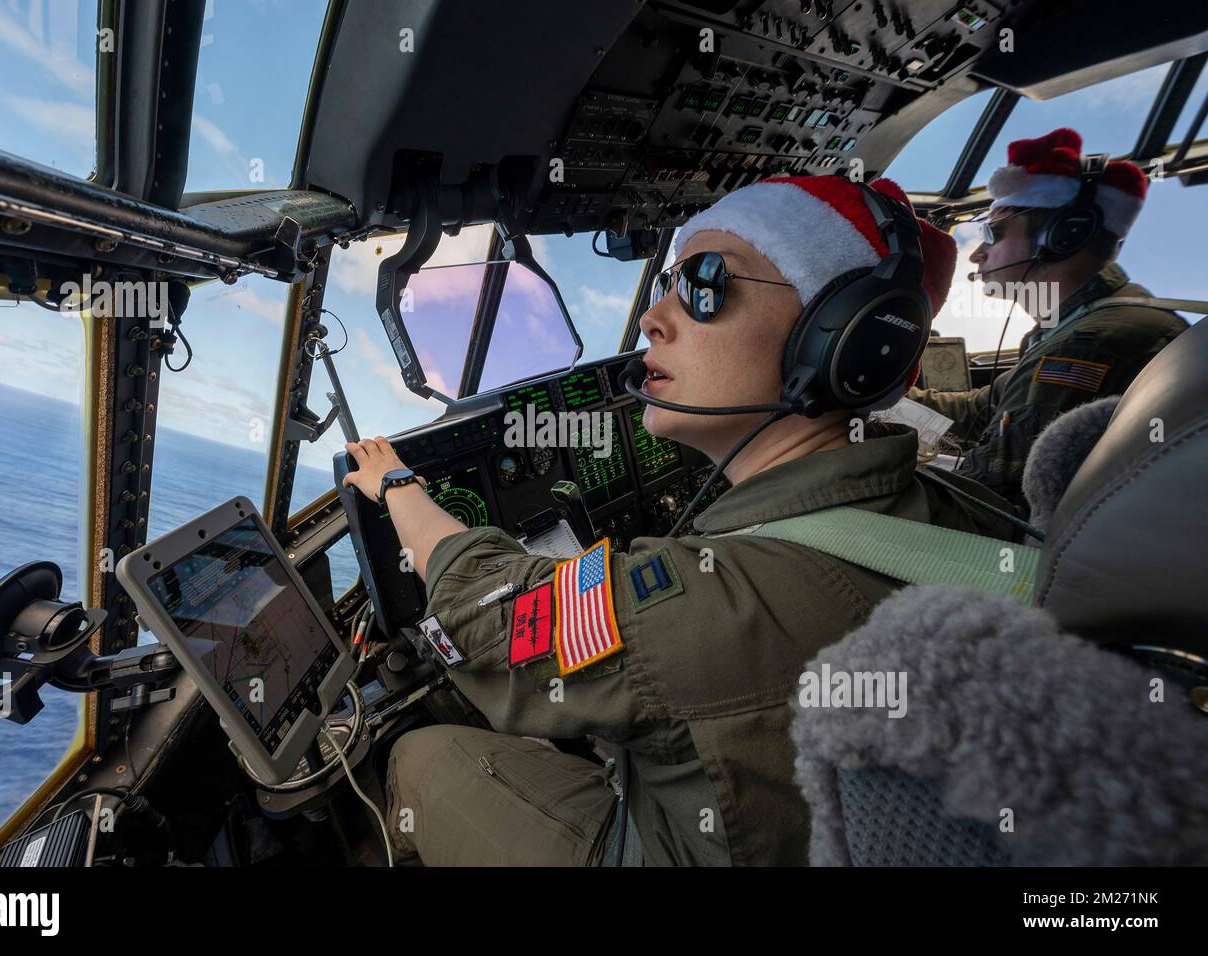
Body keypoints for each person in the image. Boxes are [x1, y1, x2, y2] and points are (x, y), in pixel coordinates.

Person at [342, 175, 1018, 866]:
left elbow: (485, 629)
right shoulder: (953, 510)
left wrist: (396, 484)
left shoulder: (722, 602)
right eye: (666, 282)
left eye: (703, 283)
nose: (650, 319)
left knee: (423, 754)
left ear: (836, 339)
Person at [909, 127, 1186, 510]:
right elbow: (978, 412)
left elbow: (990, 497)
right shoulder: (1075, 326)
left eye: (993, 233)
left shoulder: (1087, 345)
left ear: (1061, 237)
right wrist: (886, 401)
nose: (977, 255)